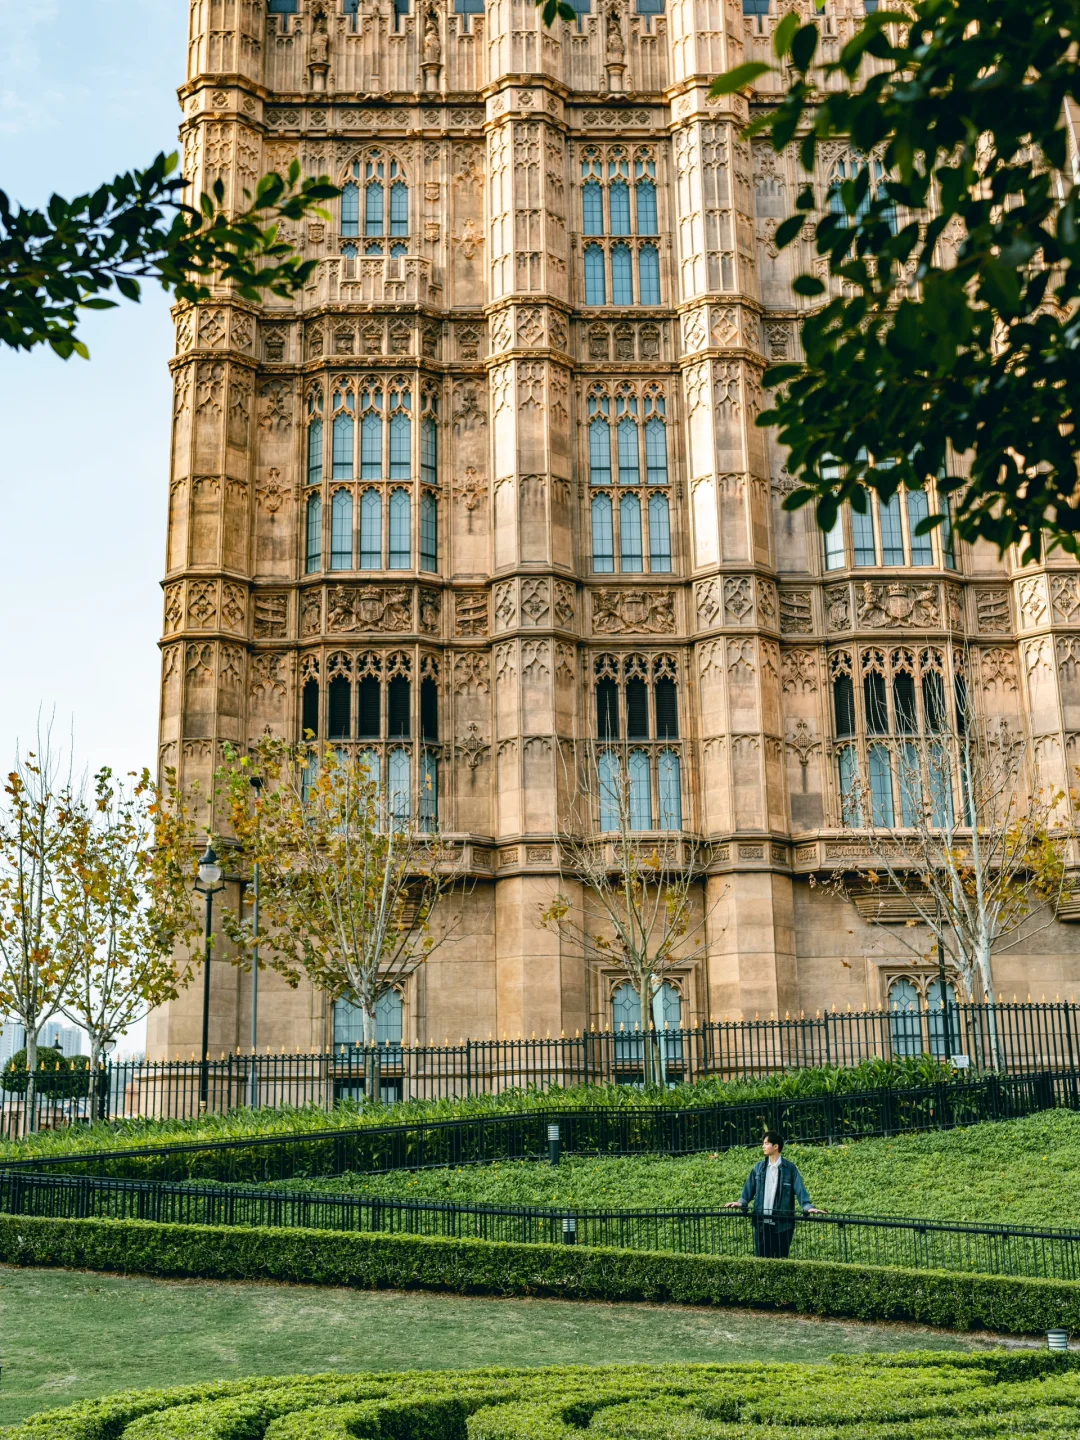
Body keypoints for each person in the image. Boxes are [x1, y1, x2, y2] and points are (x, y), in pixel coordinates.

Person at [723, 1132, 822, 1259]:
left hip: (783, 1225)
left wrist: (808, 1207)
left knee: (781, 1261)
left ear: (776, 1146)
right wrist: (741, 1202)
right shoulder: (759, 1168)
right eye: (763, 1143)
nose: (763, 1146)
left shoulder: (790, 1169)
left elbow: (800, 1190)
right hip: (762, 1224)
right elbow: (748, 1190)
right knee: (762, 1262)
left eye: (766, 1143)